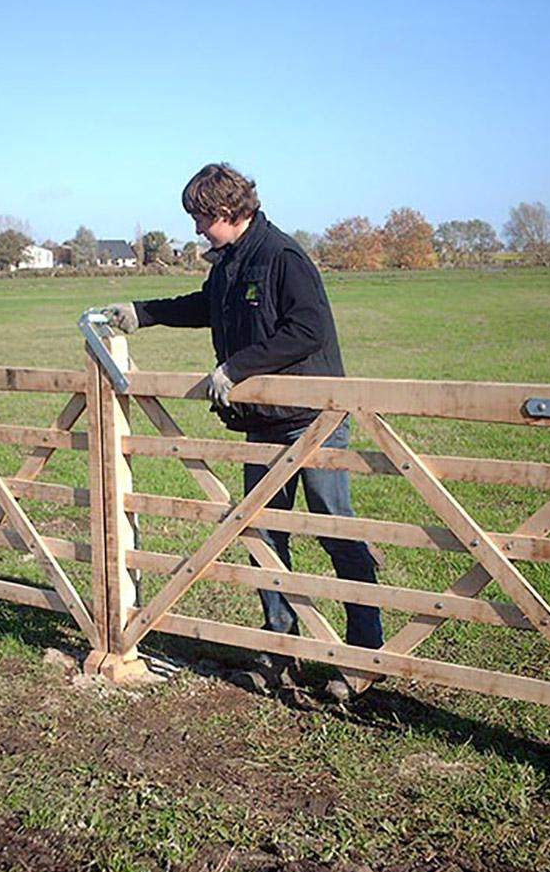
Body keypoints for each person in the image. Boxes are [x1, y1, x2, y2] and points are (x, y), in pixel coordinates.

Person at [102, 162, 381, 702]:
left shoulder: (282, 257)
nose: (197, 230)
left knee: (333, 529)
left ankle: (362, 654)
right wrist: (143, 313)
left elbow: (308, 330)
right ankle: (280, 650)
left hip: (314, 418)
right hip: (265, 423)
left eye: (202, 219)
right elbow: (206, 306)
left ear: (229, 212)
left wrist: (237, 368)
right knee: (264, 535)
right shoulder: (232, 262)